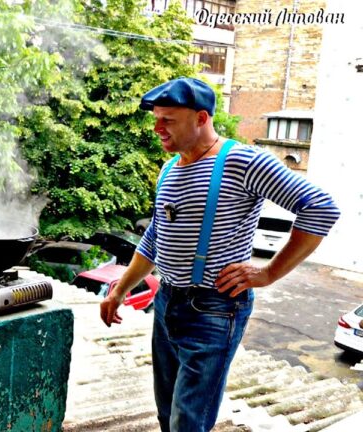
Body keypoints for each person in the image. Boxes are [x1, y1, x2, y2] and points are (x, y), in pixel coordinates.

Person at [99, 77, 340, 432]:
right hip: (167, 302)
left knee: (188, 422)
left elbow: (320, 208)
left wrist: (269, 272)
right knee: (167, 415)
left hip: (214, 308)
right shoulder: (169, 168)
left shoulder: (244, 161)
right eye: (156, 118)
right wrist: (120, 289)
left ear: (201, 118)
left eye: (168, 119)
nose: (157, 128)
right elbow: (155, 238)